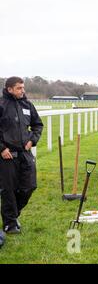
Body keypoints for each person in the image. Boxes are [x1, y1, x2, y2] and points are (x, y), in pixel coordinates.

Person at [0, 77, 43, 234]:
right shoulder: (1, 105)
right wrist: (2, 149)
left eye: (23, 87)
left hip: (25, 153)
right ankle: (9, 224)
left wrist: (32, 140)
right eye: (19, 88)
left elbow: (38, 125)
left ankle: (12, 215)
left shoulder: (27, 105)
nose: (22, 91)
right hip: (7, 155)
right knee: (8, 190)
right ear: (9, 89)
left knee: (29, 186)